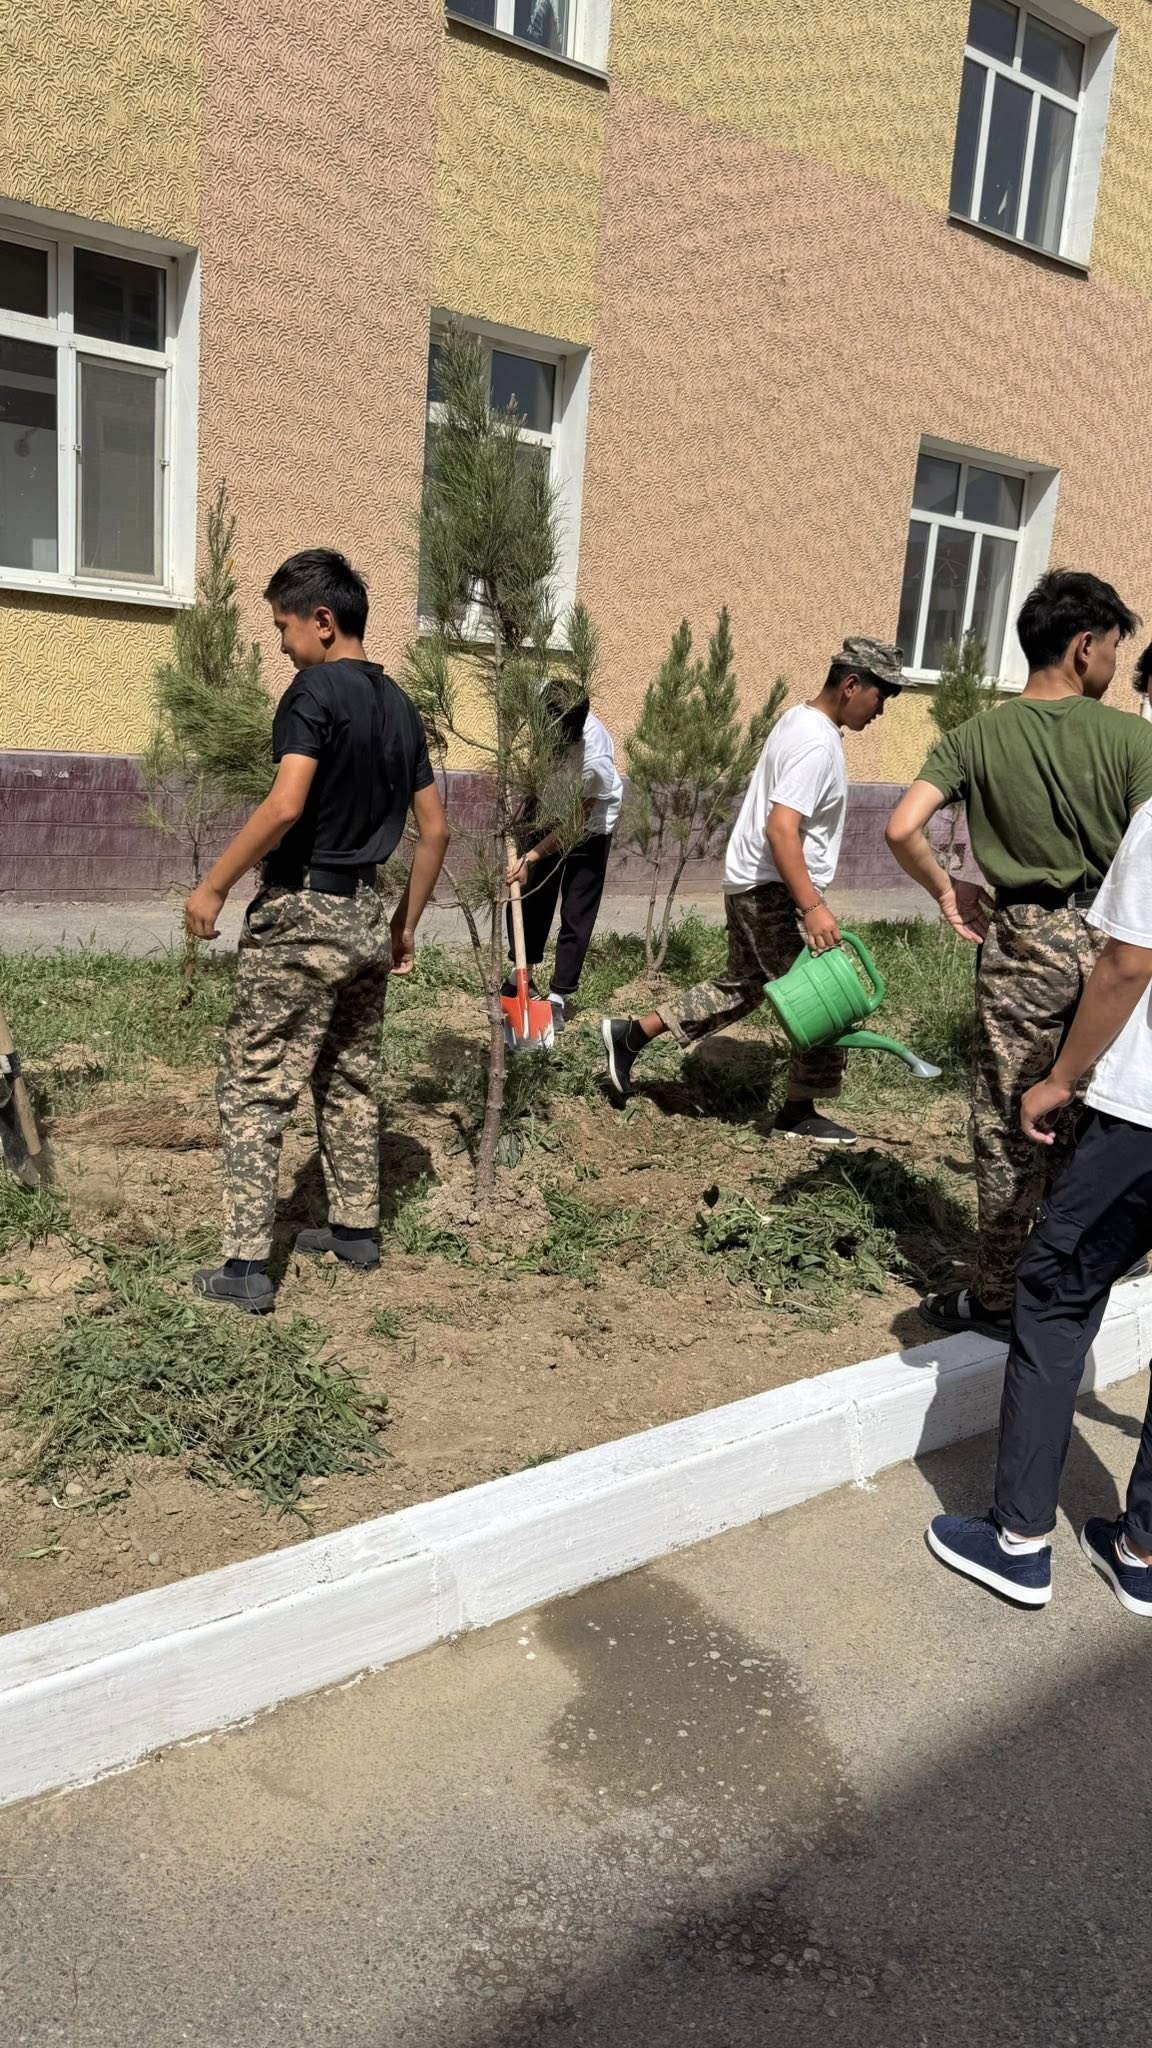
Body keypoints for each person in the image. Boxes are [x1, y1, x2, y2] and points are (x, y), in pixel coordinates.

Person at [886, 570, 1150, 1340]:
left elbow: (901, 827)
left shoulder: (976, 736)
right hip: (1115, 938)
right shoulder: (1135, 741)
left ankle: (998, 1293)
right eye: (1113, 648)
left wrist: (948, 889)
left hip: (1024, 940)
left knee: (1007, 1120)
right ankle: (1082, 1269)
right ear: (1084, 646)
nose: (1114, 665)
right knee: (1096, 1108)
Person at [184, 549, 450, 1313]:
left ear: (323, 621)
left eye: (283, 626)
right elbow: (435, 831)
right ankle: (355, 1230)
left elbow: (285, 804)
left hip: (302, 915)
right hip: (366, 913)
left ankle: (244, 1268)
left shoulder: (313, 693)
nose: (281, 644)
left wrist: (213, 885)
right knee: (349, 1075)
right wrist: (404, 926)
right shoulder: (401, 707)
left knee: (255, 1084)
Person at [927, 798, 1152, 1614]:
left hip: (1141, 1121)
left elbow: (1126, 965)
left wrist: (1059, 1079)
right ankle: (1142, 1551)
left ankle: (1018, 1541)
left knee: (1055, 1295)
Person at [600, 638, 905, 1144]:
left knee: (743, 986)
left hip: (755, 882)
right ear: (852, 685)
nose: (881, 710)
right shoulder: (816, 743)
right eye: (882, 696)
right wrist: (812, 906)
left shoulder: (800, 721)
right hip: (772, 890)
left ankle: (631, 1035)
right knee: (826, 997)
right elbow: (782, 830)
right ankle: (800, 1111)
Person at [504, 689, 623, 1022]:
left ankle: (558, 995)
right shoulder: (543, 710)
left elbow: (576, 821)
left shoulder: (594, 758)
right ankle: (522, 974)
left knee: (577, 907)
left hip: (590, 824)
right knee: (531, 893)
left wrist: (532, 856)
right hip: (549, 808)